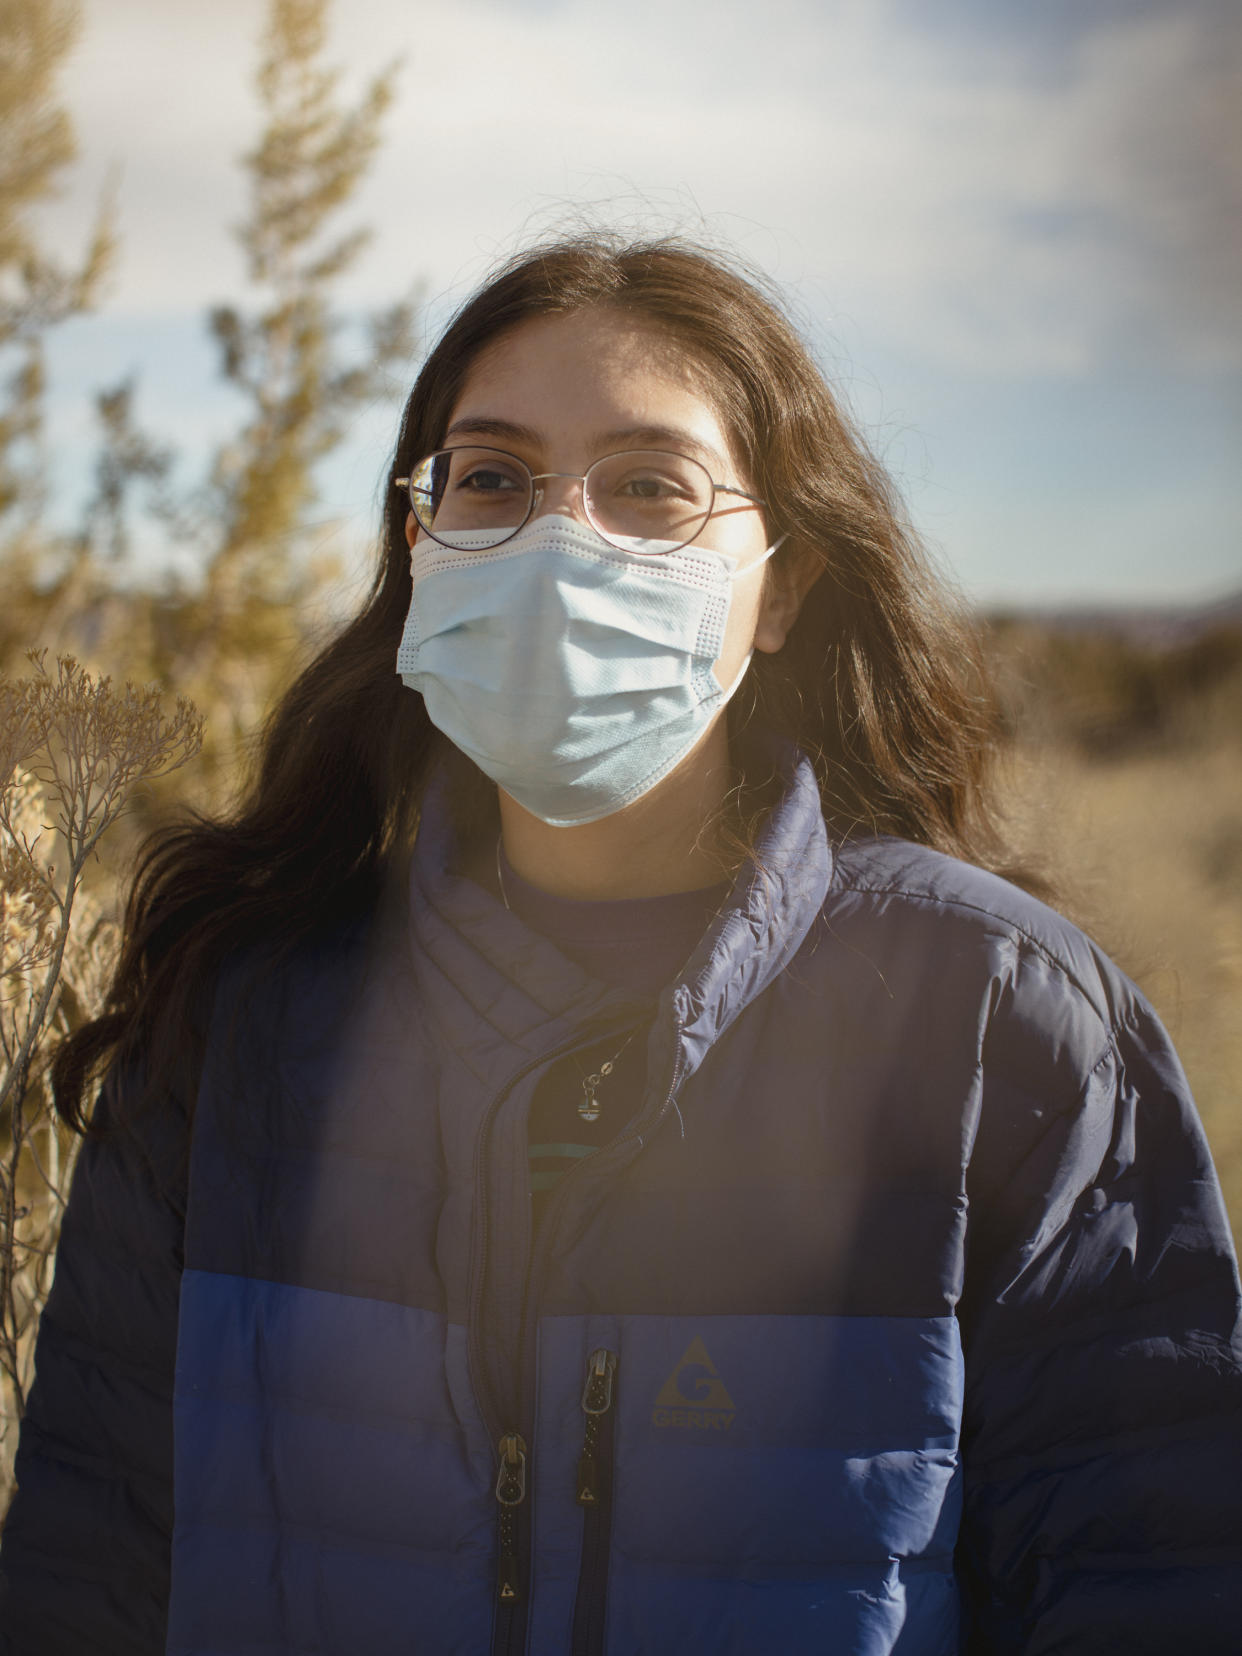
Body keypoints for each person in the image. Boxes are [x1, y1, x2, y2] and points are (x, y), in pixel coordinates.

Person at [1, 233, 1239, 1656]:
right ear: (422, 548)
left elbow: (1160, 1580)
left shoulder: (992, 1019)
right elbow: (84, 1582)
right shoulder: (244, 1017)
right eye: (493, 479)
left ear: (780, 585)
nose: (556, 538)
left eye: (650, 486)